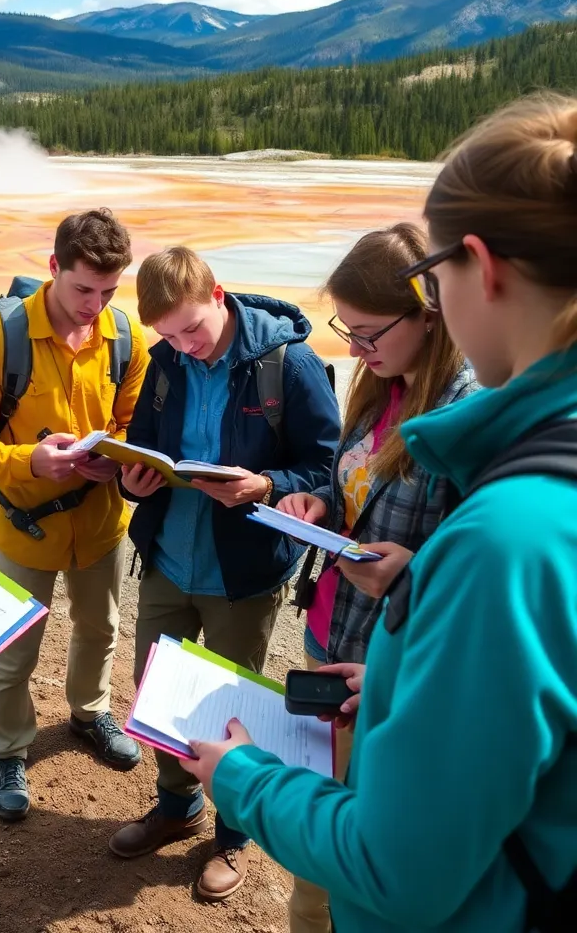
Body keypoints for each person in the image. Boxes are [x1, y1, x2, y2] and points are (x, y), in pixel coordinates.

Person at [181, 93, 577, 933]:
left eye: (436, 278)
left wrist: (243, 776)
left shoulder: (510, 541)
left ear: (481, 266)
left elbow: (398, 871)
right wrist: (403, 679)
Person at [108, 246, 340, 902]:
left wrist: (265, 485)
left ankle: (234, 835)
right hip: (168, 561)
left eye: (191, 329)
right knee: (155, 692)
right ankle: (178, 805)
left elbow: (326, 471)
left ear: (219, 295)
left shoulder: (287, 366)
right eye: (168, 335)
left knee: (234, 708)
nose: (183, 345)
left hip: (243, 574)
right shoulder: (165, 365)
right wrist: (133, 481)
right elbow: (147, 453)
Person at [275, 223, 476, 933]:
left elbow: (475, 568)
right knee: (318, 819)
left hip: (390, 658)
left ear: (428, 311)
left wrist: (412, 574)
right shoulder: (377, 381)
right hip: (330, 627)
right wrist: (320, 503)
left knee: (352, 831)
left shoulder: (464, 411)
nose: (355, 349)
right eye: (346, 332)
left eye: (366, 333)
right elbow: (353, 483)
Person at [0, 207, 149, 822]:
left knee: (99, 628)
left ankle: (89, 712)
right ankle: (6, 749)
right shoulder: (2, 339)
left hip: (102, 523)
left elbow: (133, 422)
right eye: (83, 288)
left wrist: (123, 458)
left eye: (109, 291)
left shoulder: (124, 336)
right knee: (13, 648)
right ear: (53, 268)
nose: (94, 305)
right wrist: (29, 460)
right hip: (26, 526)